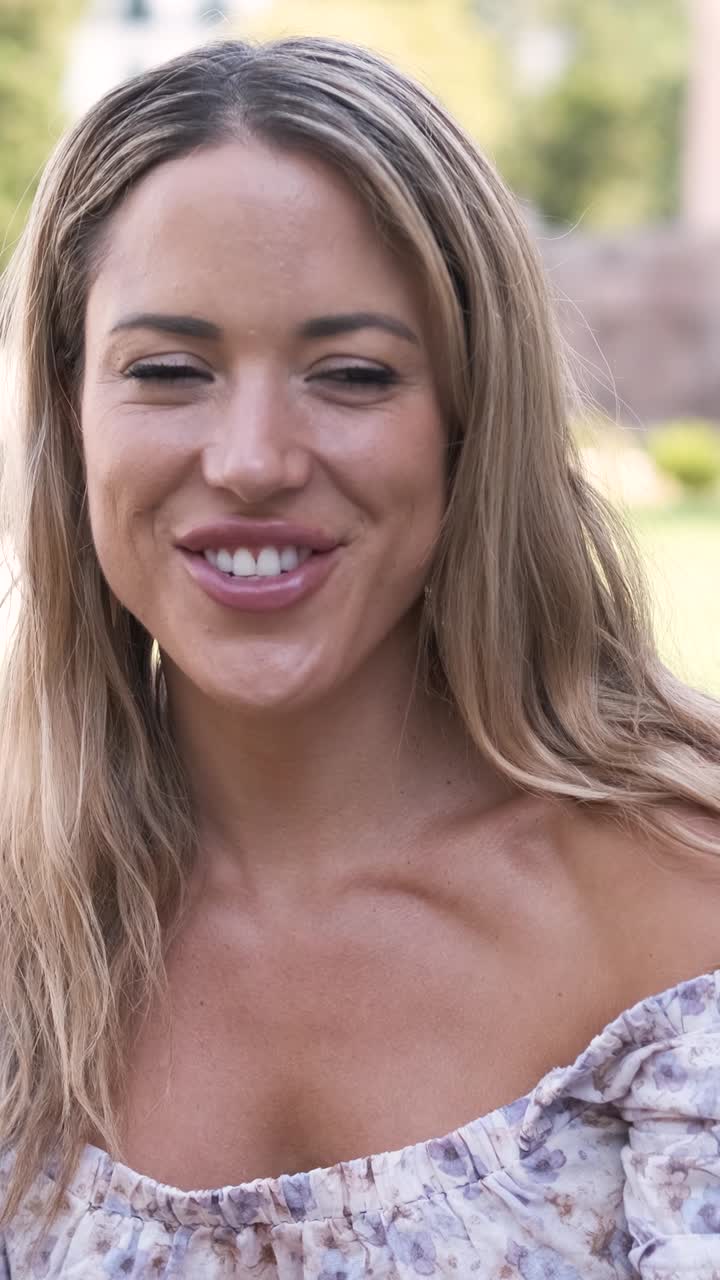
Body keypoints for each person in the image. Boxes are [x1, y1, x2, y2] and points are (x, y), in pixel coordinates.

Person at [0, 34, 719, 1279]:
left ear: (466, 420)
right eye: (168, 370)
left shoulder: (682, 913)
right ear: (68, 414)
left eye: (352, 373)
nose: (254, 458)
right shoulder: (23, 924)